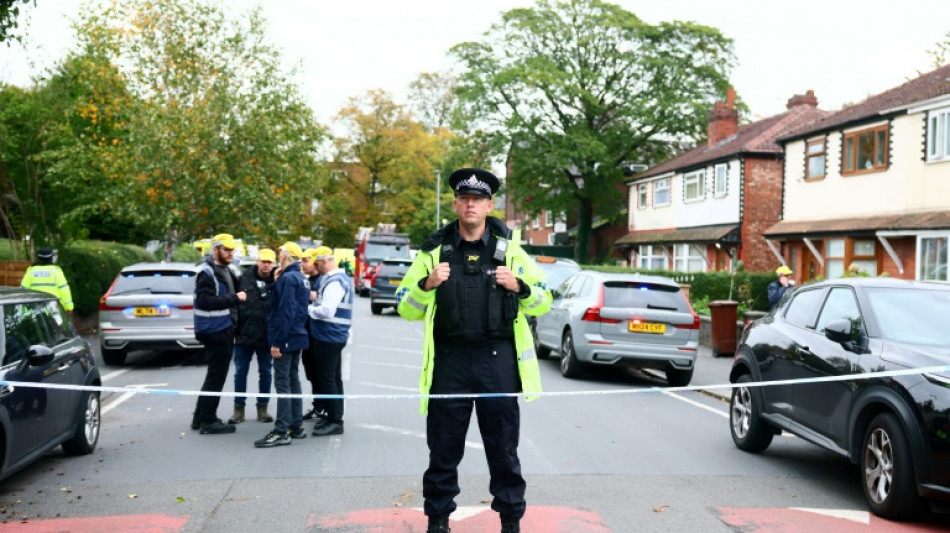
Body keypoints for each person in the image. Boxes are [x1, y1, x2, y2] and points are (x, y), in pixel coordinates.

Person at [396, 168, 552, 533]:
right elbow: (405, 307)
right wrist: (425, 284)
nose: (471, 204)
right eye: (464, 198)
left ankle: (511, 521)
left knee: (503, 451)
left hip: (496, 362)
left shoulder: (511, 252)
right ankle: (438, 520)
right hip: (449, 363)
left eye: (478, 199)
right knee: (443, 450)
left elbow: (545, 301)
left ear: (489, 205)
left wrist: (520, 286)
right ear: (455, 204)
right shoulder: (432, 253)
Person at [255, 242, 309, 448]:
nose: (278, 257)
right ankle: (296, 425)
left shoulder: (288, 278)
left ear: (286, 256)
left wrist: (277, 342)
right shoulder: (299, 277)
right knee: (293, 380)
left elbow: (286, 311)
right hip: (297, 335)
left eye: (280, 254)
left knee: (283, 383)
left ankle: (282, 430)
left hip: (286, 337)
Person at [191, 234, 247, 435]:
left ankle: (199, 417)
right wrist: (234, 298)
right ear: (215, 250)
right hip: (214, 329)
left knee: (213, 375)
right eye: (226, 249)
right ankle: (208, 420)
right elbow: (206, 301)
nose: (230, 253)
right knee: (216, 376)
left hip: (221, 328)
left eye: (232, 250)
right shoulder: (207, 272)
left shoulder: (225, 270)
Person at [307, 246, 352, 436]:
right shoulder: (335, 279)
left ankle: (335, 420)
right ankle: (333, 415)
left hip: (329, 336)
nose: (315, 267)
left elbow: (326, 311)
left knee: (327, 379)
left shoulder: (335, 282)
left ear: (325, 260)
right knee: (333, 378)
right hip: (332, 335)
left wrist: (306, 310)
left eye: (316, 263)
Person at [228, 248, 277, 425]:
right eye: (263, 261)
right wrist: (234, 331)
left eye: (269, 262)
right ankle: (238, 409)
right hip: (244, 335)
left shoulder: (277, 281)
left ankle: (262, 408)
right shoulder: (243, 278)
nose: (266, 265)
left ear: (274, 263)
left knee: (265, 372)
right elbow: (233, 306)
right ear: (257, 261)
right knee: (240, 372)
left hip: (266, 337)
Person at [300, 247, 327, 423]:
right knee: (311, 373)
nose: (302, 263)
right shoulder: (308, 279)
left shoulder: (321, 280)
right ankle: (318, 406)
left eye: (305, 260)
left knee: (321, 374)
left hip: (318, 334)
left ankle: (324, 407)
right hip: (307, 333)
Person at [21, 247, 74, 314]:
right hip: (54, 310)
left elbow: (22, 291)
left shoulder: (31, 271)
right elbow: (64, 290)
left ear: (38, 258)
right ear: (51, 258)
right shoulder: (56, 271)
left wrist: (25, 312)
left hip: (36, 311)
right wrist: (69, 308)